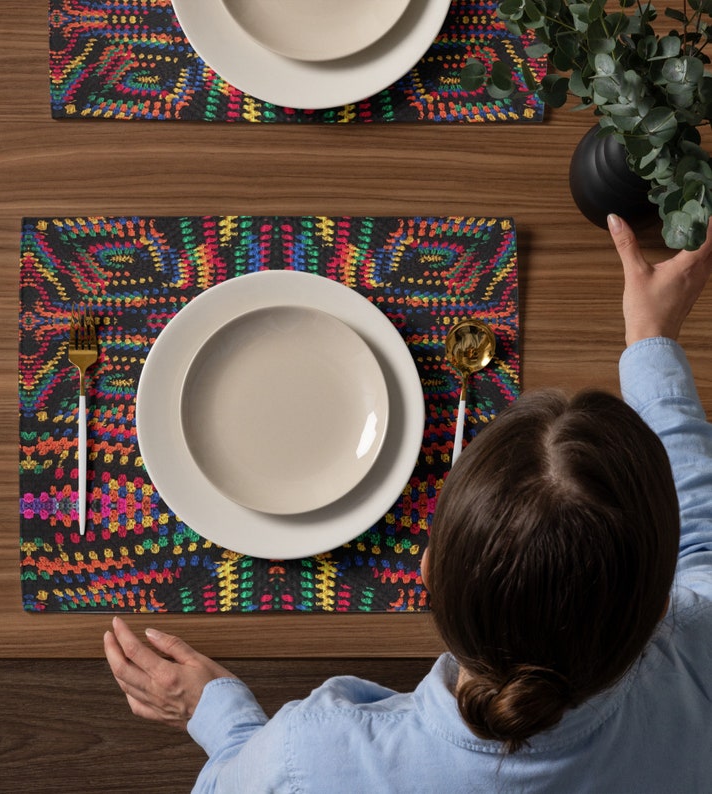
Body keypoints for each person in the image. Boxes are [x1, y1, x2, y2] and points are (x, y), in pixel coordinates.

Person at [104, 214, 712, 793]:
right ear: (659, 608)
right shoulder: (698, 656)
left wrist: (222, 719)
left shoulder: (309, 760)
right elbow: (702, 543)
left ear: (426, 575)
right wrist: (651, 340)